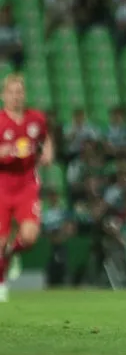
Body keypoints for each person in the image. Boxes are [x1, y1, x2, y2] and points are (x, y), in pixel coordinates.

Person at [0, 74, 54, 302]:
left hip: (27, 185)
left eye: (19, 92)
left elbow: (45, 137)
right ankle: (1, 281)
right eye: (11, 92)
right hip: (2, 186)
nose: (16, 96)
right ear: (4, 95)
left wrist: (48, 152)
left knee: (30, 238)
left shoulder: (36, 118)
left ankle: (10, 254)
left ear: (24, 94)